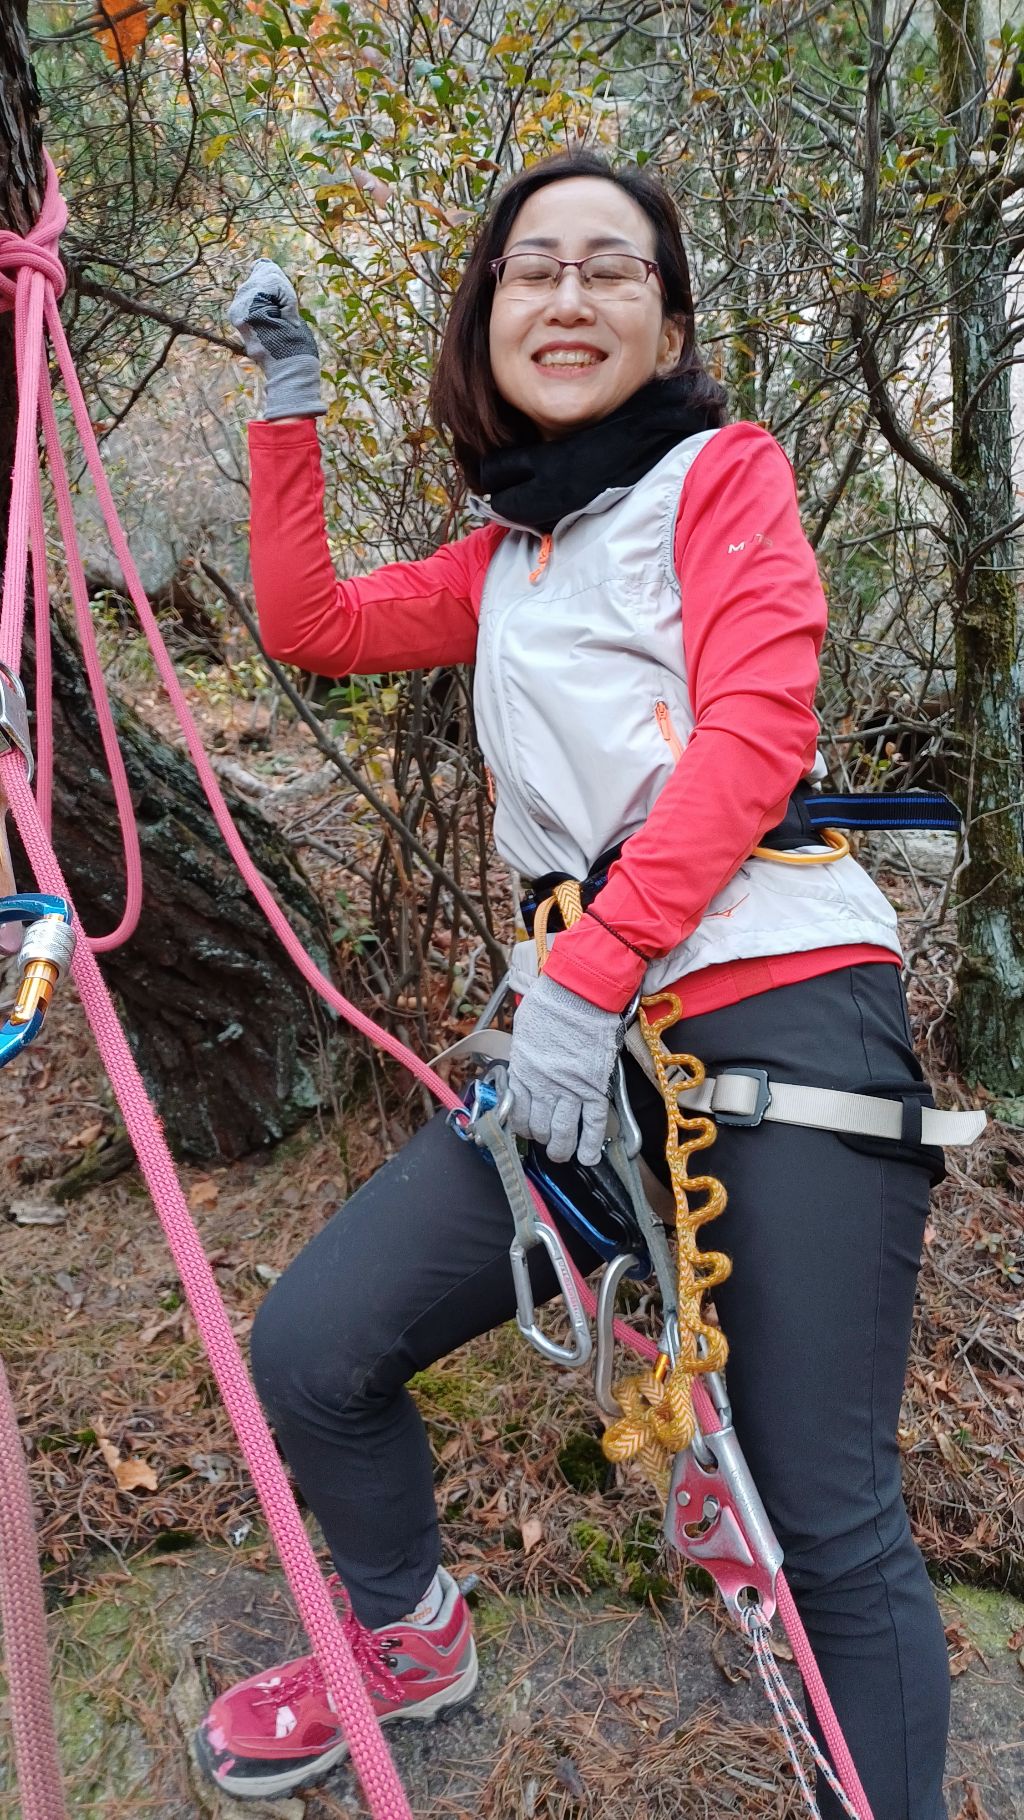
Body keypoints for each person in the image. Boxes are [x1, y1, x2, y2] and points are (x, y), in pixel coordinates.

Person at [198, 151, 951, 1817]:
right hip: (581, 1039)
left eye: (613, 268)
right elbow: (316, 625)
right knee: (318, 1346)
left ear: (668, 326)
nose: (568, 293)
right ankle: (408, 1638)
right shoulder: (511, 559)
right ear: (488, 317)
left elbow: (757, 730)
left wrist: (595, 966)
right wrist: (289, 402)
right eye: (532, 267)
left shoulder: (720, 477)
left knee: (819, 1511)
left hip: (769, 989)